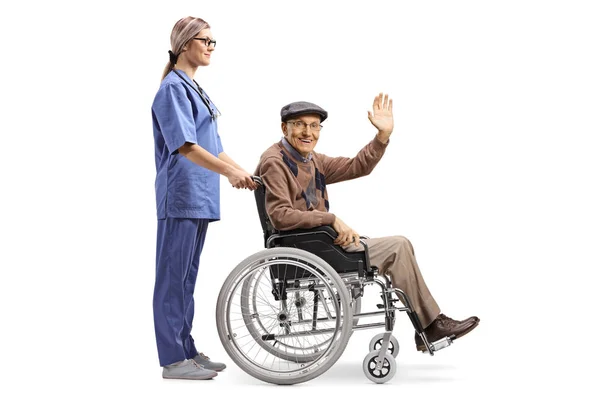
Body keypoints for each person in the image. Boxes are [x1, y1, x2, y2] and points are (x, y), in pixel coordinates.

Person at [254, 94, 479, 352]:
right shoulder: (274, 161)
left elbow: (356, 166)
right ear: (285, 128)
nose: (308, 132)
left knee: (399, 245)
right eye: (300, 124)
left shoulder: (311, 159)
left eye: (314, 126)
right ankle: (430, 326)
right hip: (306, 248)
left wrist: (381, 137)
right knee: (398, 247)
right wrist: (331, 220)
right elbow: (281, 215)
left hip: (320, 241)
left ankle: (428, 326)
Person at [151, 16, 257, 380]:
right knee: (171, 278)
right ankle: (172, 360)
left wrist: (244, 171)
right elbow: (184, 146)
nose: (211, 47)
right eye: (205, 40)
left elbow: (215, 148)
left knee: (187, 279)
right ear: (184, 44)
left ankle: (187, 350)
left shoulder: (195, 89)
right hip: (180, 195)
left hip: (199, 196)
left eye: (214, 42)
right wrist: (229, 173)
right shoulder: (172, 89)